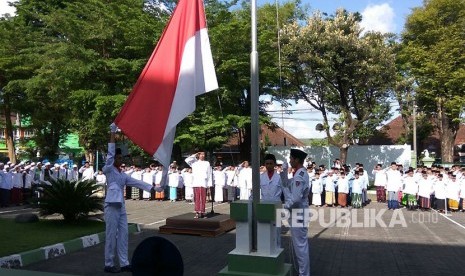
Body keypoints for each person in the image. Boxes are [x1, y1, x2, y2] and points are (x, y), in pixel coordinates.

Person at [103, 123, 155, 273]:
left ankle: (124, 262)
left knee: (124, 235)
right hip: (111, 205)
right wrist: (112, 131)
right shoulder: (108, 169)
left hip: (121, 206)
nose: (119, 159)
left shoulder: (122, 174)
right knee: (111, 235)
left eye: (120, 158)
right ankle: (109, 263)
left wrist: (152, 188)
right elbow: (110, 152)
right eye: (117, 158)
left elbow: (136, 182)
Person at [280, 149, 310, 276]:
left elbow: (296, 199)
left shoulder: (299, 176)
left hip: (298, 213)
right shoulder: (299, 173)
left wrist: (284, 207)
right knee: (300, 246)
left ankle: (304, 274)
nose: (290, 160)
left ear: (297, 160)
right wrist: (283, 173)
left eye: (291, 159)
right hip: (298, 213)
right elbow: (286, 184)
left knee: (300, 247)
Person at [185, 151, 212, 219]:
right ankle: (197, 212)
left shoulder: (207, 163)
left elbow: (209, 173)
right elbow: (187, 160)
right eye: (201, 154)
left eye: (204, 154)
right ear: (198, 155)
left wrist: (209, 183)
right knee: (197, 198)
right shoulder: (194, 163)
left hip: (203, 182)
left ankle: (202, 212)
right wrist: (194, 155)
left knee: (203, 198)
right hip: (196, 182)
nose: (203, 156)